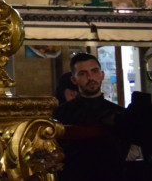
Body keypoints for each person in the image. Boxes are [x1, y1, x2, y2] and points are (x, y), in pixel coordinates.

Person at [52, 52, 142, 181]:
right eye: (83, 73)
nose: (90, 77)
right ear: (74, 79)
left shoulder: (118, 113)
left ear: (102, 75)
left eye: (94, 71)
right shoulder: (60, 114)